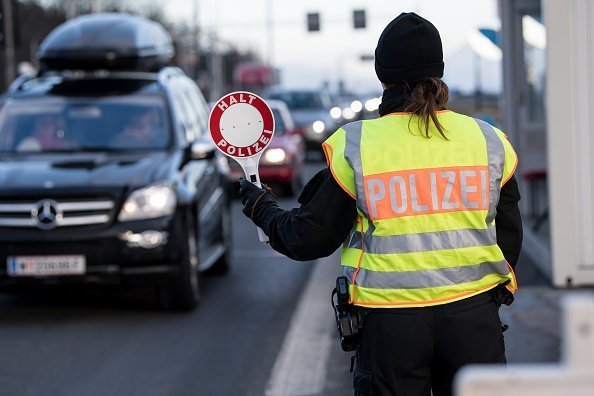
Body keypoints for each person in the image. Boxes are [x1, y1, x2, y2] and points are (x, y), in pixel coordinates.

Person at [239, 12, 522, 396]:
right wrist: (490, 298)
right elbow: (509, 237)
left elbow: (308, 238)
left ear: (382, 74)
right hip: (474, 322)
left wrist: (261, 208)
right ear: (439, 73)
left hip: (392, 333)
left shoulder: (357, 145)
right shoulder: (488, 140)